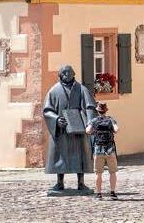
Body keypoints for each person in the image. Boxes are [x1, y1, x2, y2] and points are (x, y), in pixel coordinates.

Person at [42, 64, 97, 194]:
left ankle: (81, 183)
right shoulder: (54, 91)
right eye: (64, 73)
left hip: (79, 128)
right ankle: (59, 183)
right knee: (60, 156)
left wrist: (89, 123)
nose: (67, 75)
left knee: (80, 156)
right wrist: (56, 119)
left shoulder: (81, 89)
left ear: (74, 74)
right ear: (60, 75)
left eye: (69, 72)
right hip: (61, 130)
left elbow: (90, 106)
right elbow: (47, 110)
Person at [86, 100, 119, 200]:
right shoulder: (110, 120)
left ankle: (99, 194)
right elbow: (117, 129)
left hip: (98, 149)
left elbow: (88, 130)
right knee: (112, 172)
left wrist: (94, 131)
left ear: (97, 111)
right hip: (110, 149)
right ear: (106, 110)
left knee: (98, 173)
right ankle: (112, 193)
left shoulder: (94, 120)